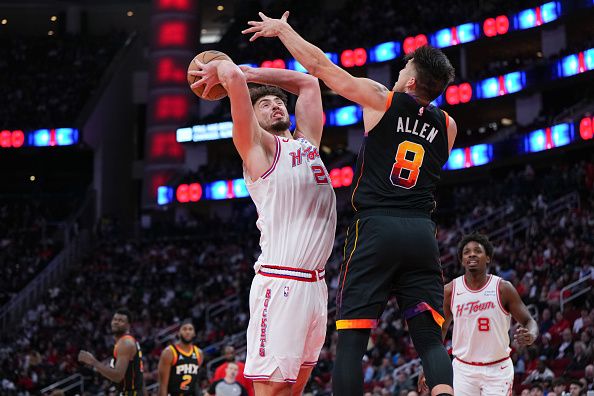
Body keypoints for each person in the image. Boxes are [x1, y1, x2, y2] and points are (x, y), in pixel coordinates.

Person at [242, 11, 457, 396]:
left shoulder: (381, 99)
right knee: (429, 340)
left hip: (376, 227)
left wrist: (282, 30)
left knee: (352, 345)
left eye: (403, 67)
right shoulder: (448, 125)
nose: (397, 73)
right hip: (422, 232)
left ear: (409, 80)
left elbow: (318, 67)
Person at [188, 56, 336, 395]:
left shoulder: (308, 144)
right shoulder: (258, 151)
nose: (275, 106)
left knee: (295, 387)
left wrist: (252, 73)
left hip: (316, 285)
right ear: (251, 119)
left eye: (278, 102)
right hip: (281, 281)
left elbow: (308, 84)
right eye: (265, 104)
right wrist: (226, 70)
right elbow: (237, 88)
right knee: (270, 389)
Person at [427, 233, 538, 395]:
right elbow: (440, 330)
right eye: (466, 252)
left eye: (477, 251)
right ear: (462, 260)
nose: (472, 254)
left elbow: (529, 321)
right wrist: (429, 364)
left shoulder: (503, 288)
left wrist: (531, 335)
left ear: (488, 258)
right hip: (463, 369)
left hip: (497, 369)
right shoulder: (450, 290)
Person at [78, 308, 144, 395]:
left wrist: (93, 361)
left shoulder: (125, 343)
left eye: (121, 320)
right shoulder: (127, 342)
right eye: (115, 319)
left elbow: (117, 377)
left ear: (128, 325)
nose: (116, 322)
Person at [158, 320, 203, 396]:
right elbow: (163, 386)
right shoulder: (169, 352)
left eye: (190, 329)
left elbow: (194, 382)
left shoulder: (199, 353)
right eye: (184, 329)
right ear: (179, 333)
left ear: (194, 333)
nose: (187, 332)